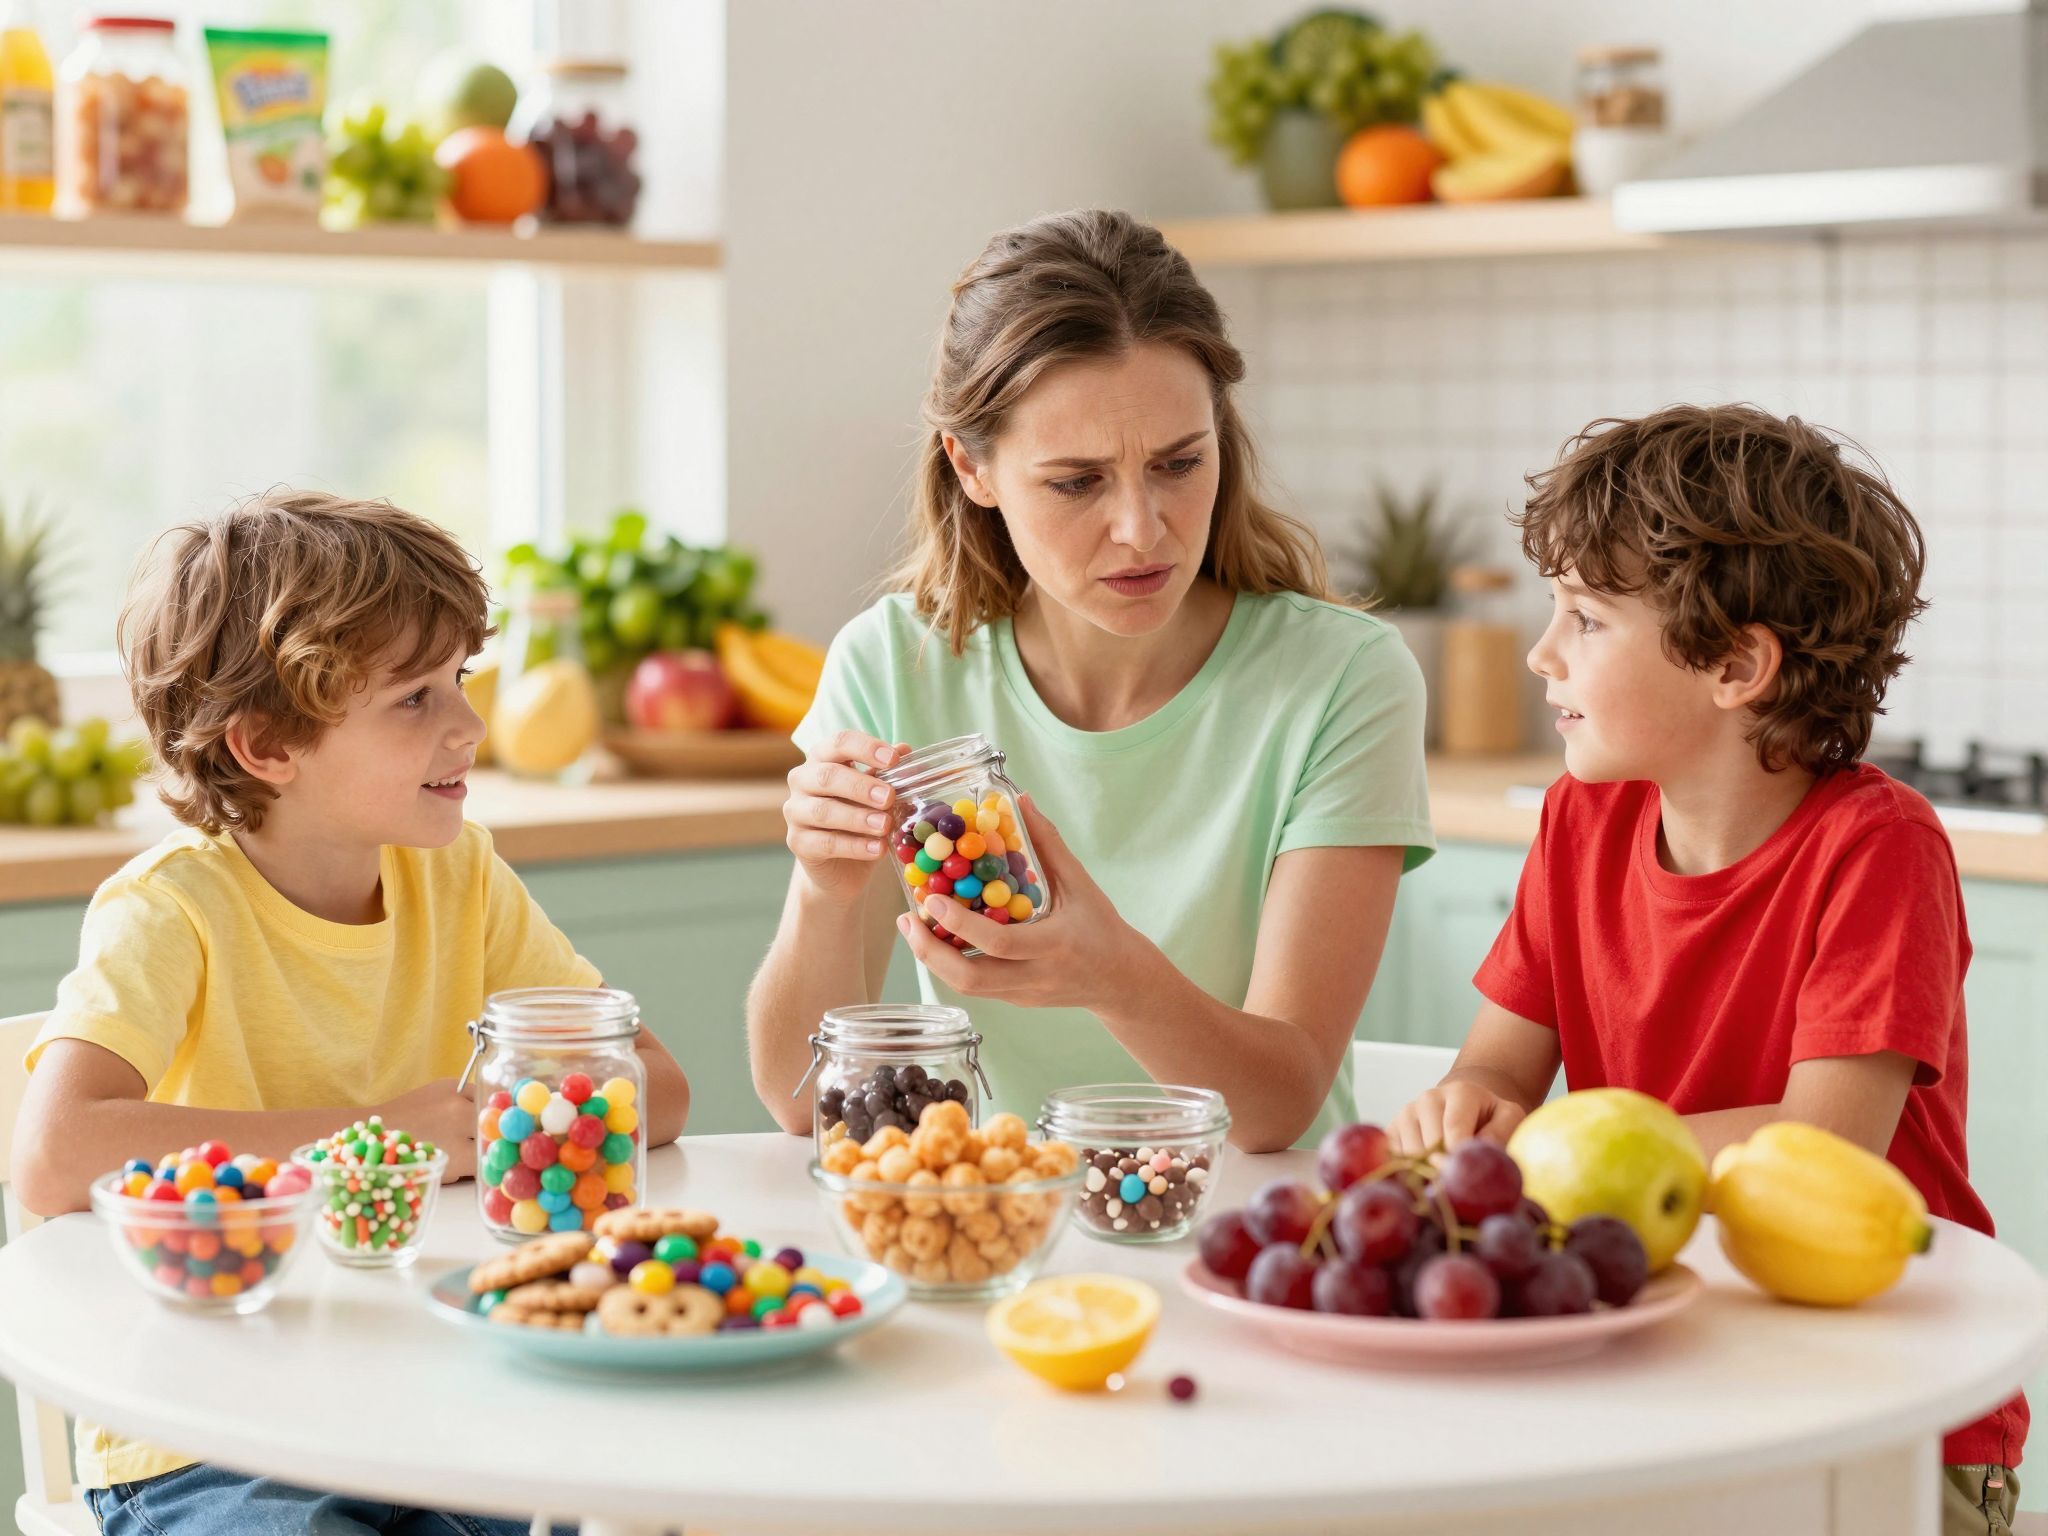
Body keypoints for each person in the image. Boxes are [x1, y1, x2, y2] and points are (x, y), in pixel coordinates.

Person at [1386, 404, 2023, 1532]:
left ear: (1734, 664)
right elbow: (1496, 1065)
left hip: (1882, 1404)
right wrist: (1467, 1111)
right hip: (1678, 1357)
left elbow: (1819, 1144)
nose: (1542, 653)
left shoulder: (1877, 849)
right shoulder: (1582, 819)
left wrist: (1552, 1156)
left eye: (1583, 617)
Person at [11, 490, 689, 1535]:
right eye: (413, 699)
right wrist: (377, 1141)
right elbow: (57, 1154)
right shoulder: (171, 911)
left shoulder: (461, 877)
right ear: (267, 745)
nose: (468, 723)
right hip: (208, 1439)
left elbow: (653, 1083)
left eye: (457, 679)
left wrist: (519, 1112)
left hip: (422, 1408)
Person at [747, 208, 1434, 1152]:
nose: (1143, 529)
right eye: (1076, 482)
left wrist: (1111, 974)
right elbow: (797, 1098)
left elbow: (1281, 1108)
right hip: (993, 1227)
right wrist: (825, 895)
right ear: (973, 467)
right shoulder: (893, 665)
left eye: (1179, 463)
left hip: (1252, 1243)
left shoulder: (1341, 680)